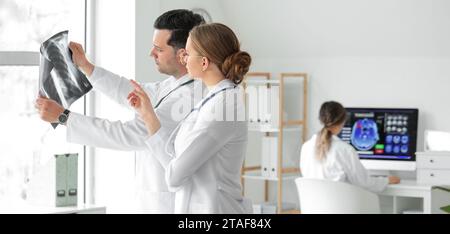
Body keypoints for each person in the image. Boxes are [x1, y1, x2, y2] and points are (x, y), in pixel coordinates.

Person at [35, 9, 205, 213]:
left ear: (183, 55)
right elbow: (131, 91)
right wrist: (87, 67)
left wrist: (64, 117)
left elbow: (126, 135)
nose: (151, 54)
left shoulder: (188, 99)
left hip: (169, 206)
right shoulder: (174, 86)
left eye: (158, 49)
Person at [128, 23, 252, 213]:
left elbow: (175, 175)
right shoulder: (212, 99)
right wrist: (147, 114)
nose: (182, 58)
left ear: (204, 62)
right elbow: (175, 160)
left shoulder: (223, 107)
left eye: (187, 53)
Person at [300, 101, 400, 193]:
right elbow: (364, 183)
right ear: (343, 121)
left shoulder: (306, 147)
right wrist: (386, 180)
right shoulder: (345, 150)